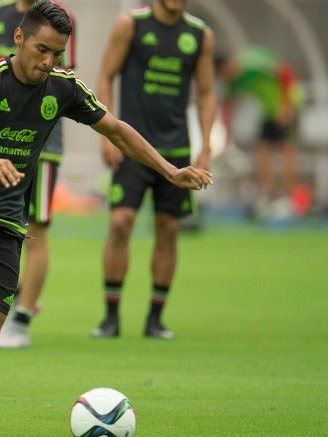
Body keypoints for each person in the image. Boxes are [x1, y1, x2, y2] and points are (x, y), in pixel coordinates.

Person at [0, 2, 213, 435]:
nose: (48, 61)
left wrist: (169, 170)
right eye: (41, 50)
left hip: (5, 219)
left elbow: (116, 129)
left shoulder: (63, 88)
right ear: (19, 39)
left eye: (57, 54)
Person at [90, 0, 217, 340]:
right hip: (133, 147)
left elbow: (206, 93)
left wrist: (205, 145)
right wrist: (107, 134)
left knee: (169, 228)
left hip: (177, 149)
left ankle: (155, 319)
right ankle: (111, 317)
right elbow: (105, 76)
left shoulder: (200, 35)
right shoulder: (130, 25)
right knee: (120, 222)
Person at [0, 0, 75, 348]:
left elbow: (65, 80)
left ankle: (22, 320)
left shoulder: (61, 20)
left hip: (43, 145)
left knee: (35, 230)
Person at [217, 45, 305, 219]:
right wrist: (225, 141)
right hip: (269, 111)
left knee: (287, 149)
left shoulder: (251, 62)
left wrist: (286, 106)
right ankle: (269, 196)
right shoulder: (230, 82)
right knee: (261, 149)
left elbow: (286, 73)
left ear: (230, 64)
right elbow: (227, 108)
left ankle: (291, 201)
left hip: (289, 102)